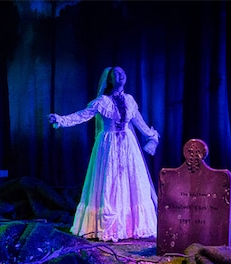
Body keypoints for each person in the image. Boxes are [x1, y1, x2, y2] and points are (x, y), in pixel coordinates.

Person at [49, 66, 160, 242]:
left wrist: (151, 136)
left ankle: (131, 226)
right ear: (109, 79)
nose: (121, 75)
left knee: (131, 183)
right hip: (108, 146)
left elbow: (139, 122)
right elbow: (82, 115)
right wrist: (61, 120)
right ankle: (109, 227)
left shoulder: (130, 100)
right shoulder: (102, 101)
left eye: (123, 72)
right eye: (115, 73)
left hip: (128, 147)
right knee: (110, 182)